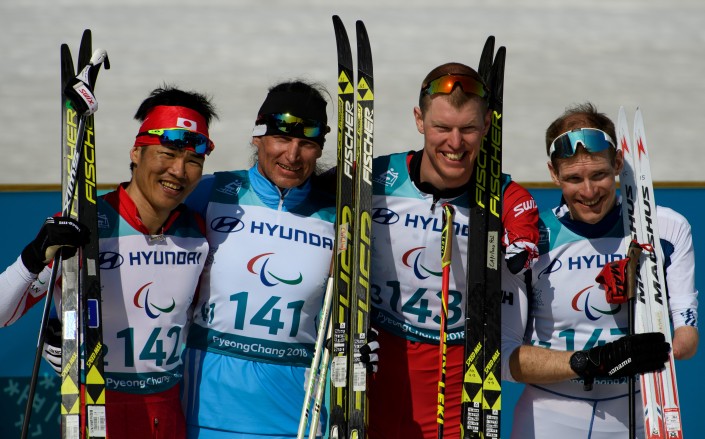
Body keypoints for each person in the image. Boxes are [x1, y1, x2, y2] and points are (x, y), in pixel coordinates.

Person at [0, 85, 218, 438]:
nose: (179, 171)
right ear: (136, 152)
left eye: (194, 161)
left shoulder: (198, 231)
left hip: (168, 412)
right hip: (97, 406)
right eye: (166, 154)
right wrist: (34, 257)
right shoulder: (85, 224)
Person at [181, 80, 377, 439]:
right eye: (282, 139)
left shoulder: (338, 218)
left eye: (307, 144)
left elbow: (350, 306)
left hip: (295, 419)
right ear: (258, 137)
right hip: (203, 413)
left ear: (319, 149)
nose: (292, 155)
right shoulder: (211, 193)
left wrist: (359, 337)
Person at [501, 102, 699, 438]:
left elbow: (687, 337)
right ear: (553, 174)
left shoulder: (666, 228)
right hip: (550, 415)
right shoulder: (530, 240)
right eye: (573, 178)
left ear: (618, 163)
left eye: (599, 175)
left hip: (640, 412)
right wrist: (590, 362)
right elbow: (506, 360)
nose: (589, 191)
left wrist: (664, 349)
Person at [366, 62, 539, 439]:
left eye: (468, 129)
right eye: (442, 128)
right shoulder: (374, 178)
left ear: (487, 125)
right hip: (377, 366)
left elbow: (524, 224)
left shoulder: (504, 197)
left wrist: (522, 246)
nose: (455, 143)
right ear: (419, 120)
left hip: (454, 376)